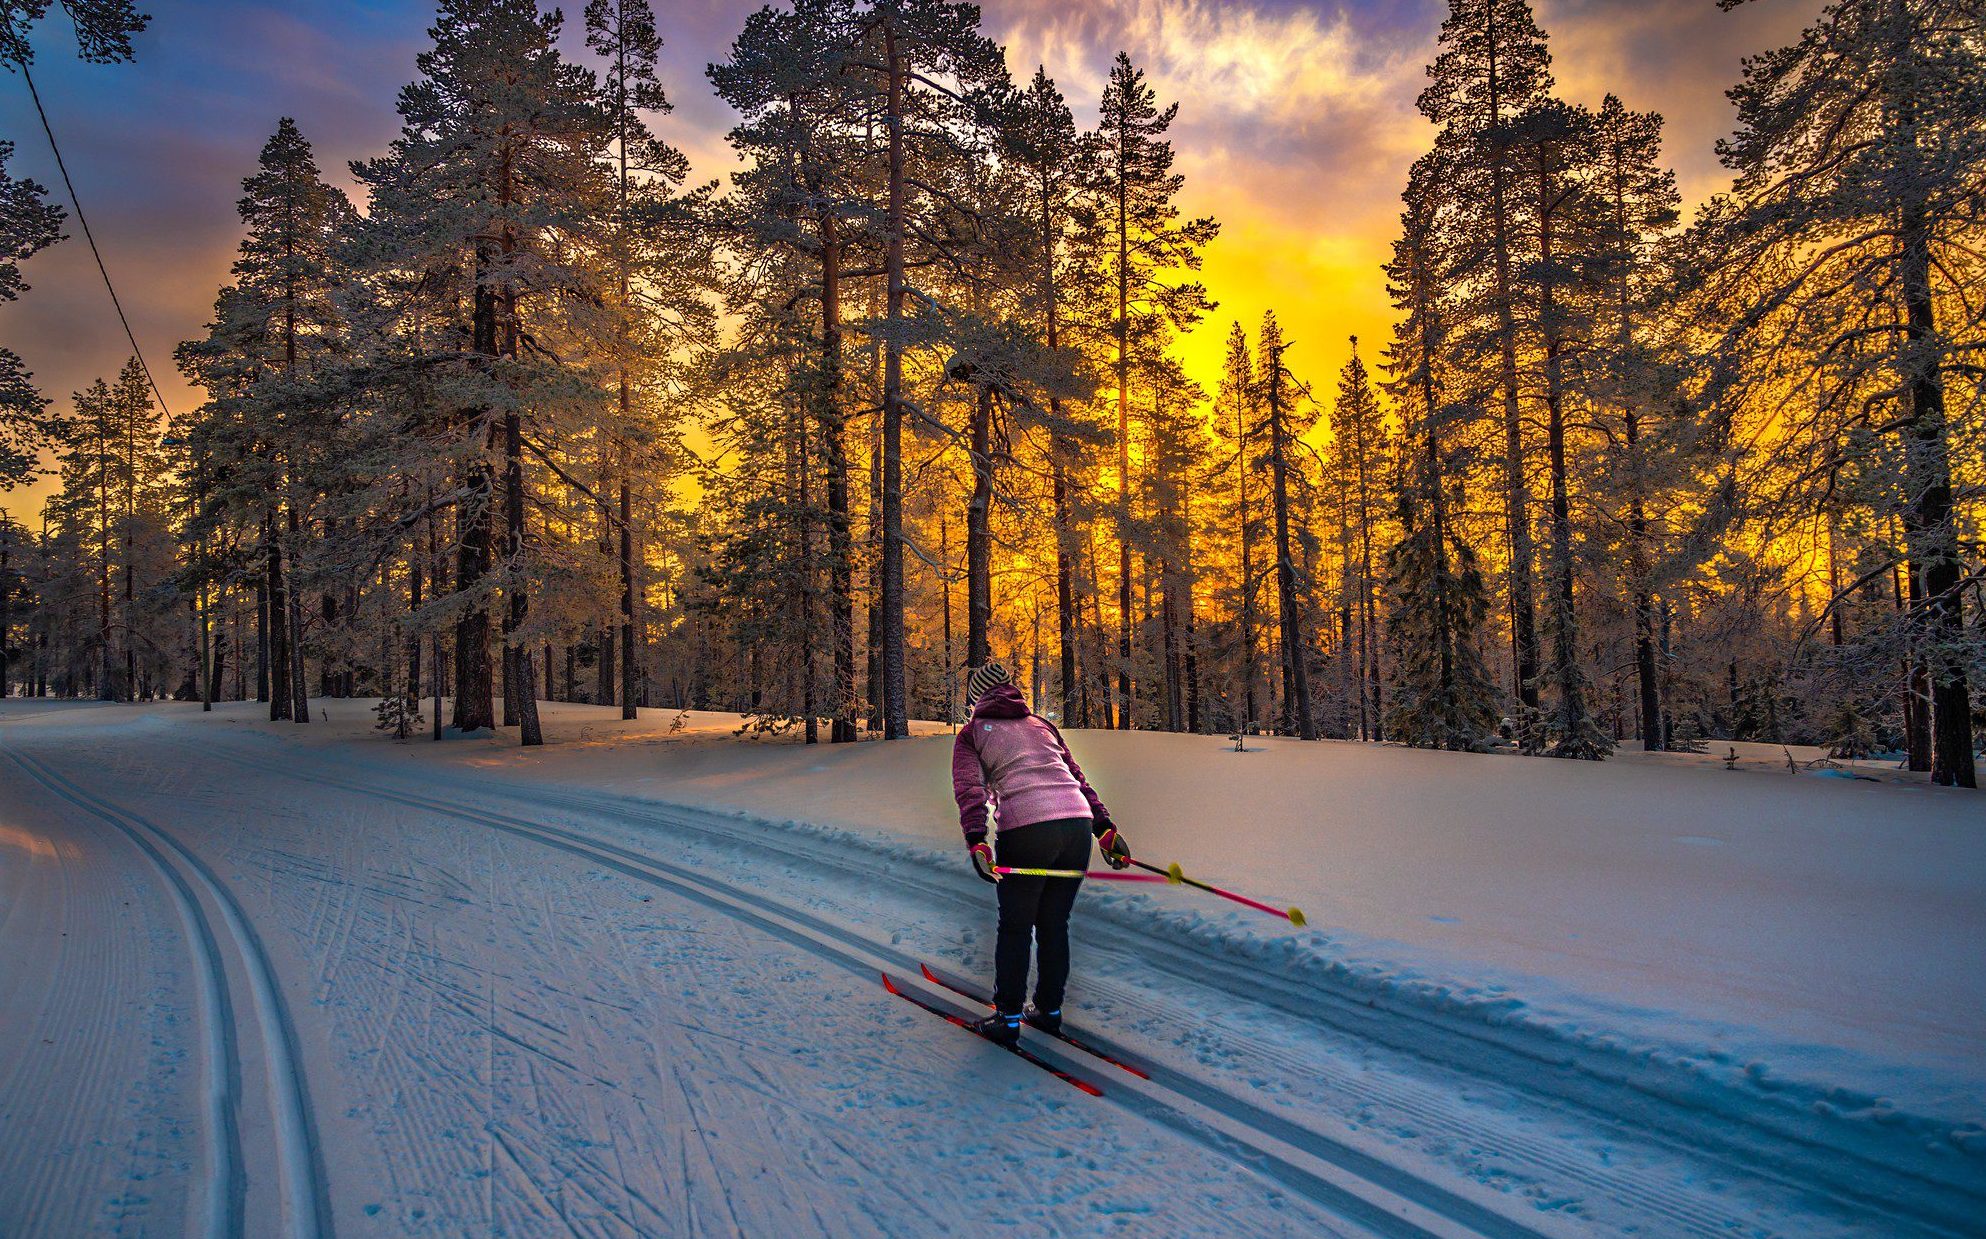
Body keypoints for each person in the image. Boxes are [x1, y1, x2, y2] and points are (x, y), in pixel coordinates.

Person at [950, 662, 1131, 1045]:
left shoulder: (971, 735)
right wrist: (1105, 829)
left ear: (976, 699)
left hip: (1027, 829)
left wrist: (976, 839)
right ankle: (1048, 1011)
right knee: (1054, 924)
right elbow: (1076, 778)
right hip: (1076, 826)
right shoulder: (1041, 726)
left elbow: (970, 790)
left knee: (1015, 927)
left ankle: (1008, 1018)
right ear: (1011, 692)